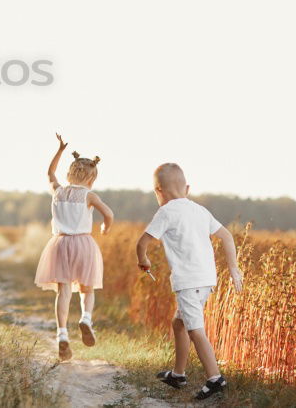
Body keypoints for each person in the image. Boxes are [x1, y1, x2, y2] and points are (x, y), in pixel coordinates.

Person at [135, 162, 244, 401]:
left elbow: (142, 242)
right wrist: (233, 268)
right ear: (187, 188)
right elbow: (226, 236)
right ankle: (178, 374)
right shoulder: (200, 210)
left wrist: (143, 261)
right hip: (205, 279)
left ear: (158, 191)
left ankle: (215, 378)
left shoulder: (166, 211)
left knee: (195, 329)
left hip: (189, 282)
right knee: (179, 323)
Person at [35, 133, 114, 360]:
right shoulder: (89, 195)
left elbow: (50, 173)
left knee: (64, 290)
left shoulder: (58, 191)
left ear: (69, 174)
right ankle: (85, 319)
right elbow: (108, 214)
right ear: (92, 179)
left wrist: (60, 150)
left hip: (59, 244)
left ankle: (62, 334)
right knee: (87, 288)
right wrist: (106, 228)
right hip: (83, 243)